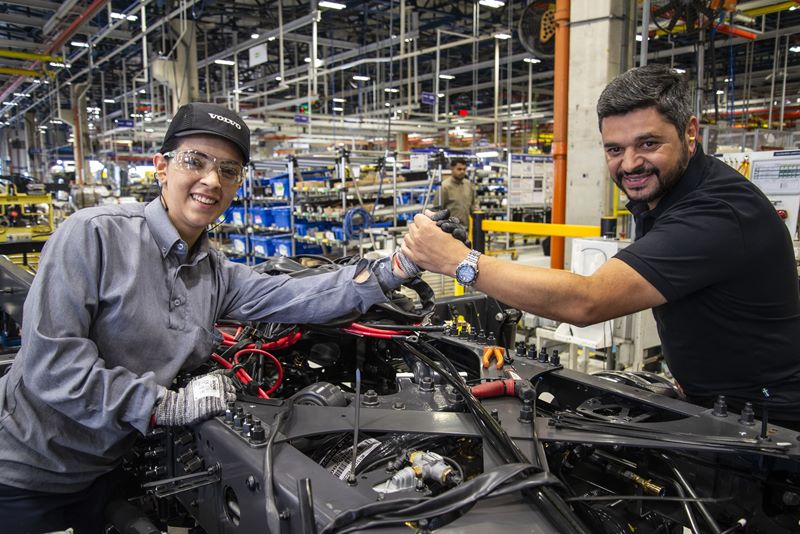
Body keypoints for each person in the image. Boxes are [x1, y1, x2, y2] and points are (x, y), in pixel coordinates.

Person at [0, 102, 426, 533]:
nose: (211, 180)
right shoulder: (93, 235)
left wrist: (399, 267)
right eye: (195, 161)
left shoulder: (214, 272)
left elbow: (297, 294)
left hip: (108, 470)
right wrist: (163, 404)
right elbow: (51, 364)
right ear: (161, 167)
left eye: (228, 170)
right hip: (26, 472)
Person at [403, 64, 800, 427]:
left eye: (648, 144)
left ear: (690, 132)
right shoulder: (668, 193)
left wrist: (460, 262)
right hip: (711, 402)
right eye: (615, 149)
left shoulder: (716, 212)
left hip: (768, 423)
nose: (629, 164)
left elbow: (587, 301)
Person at [440, 157, 475, 229]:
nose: (462, 171)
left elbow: (473, 205)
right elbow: (437, 210)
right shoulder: (444, 187)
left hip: (466, 228)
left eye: (464, 169)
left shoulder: (468, 184)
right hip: (450, 230)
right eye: (459, 169)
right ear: (452, 169)